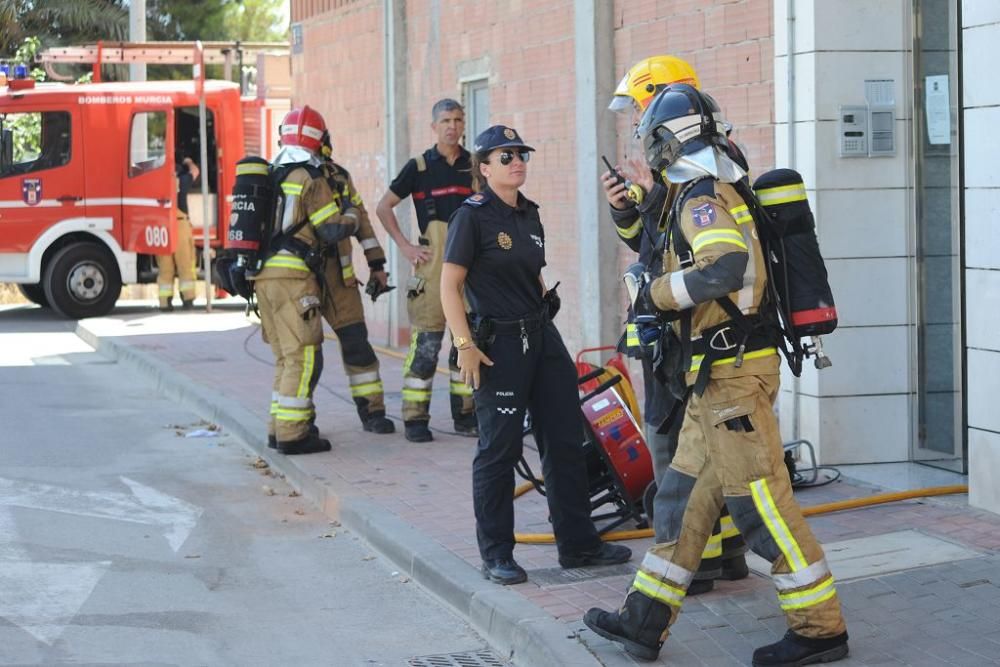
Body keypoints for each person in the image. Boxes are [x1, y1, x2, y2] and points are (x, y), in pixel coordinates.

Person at [584, 86, 848, 666]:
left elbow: (724, 266)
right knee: (679, 498)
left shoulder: (702, 199)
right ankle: (643, 621)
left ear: (664, 143)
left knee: (760, 505)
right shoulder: (712, 189)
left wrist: (653, 295)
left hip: (733, 381)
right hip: (715, 380)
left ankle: (819, 628)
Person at [441, 124, 632, 586]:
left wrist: (545, 310)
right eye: (504, 157)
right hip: (498, 347)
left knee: (566, 442)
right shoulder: (471, 216)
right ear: (484, 168)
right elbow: (450, 285)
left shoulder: (530, 214)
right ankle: (497, 555)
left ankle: (579, 545)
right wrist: (465, 346)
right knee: (499, 451)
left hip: (542, 339)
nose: (516, 161)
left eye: (520, 153)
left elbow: (534, 277)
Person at [603, 55, 748, 594]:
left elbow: (686, 256)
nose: (639, 119)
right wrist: (629, 209)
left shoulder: (693, 164)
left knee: (672, 447)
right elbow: (652, 241)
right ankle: (725, 552)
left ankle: (696, 562)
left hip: (687, 332)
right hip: (691, 331)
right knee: (711, 448)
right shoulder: (704, 158)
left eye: (642, 105)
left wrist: (657, 294)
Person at [254, 106, 361, 456]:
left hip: (263, 277)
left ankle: (277, 426)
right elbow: (330, 228)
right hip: (293, 279)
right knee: (304, 356)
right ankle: (293, 433)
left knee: (285, 356)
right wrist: (351, 215)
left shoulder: (270, 174)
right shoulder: (308, 178)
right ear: (319, 140)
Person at [375, 98, 477, 443]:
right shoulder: (418, 167)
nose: (453, 125)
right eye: (446, 120)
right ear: (434, 127)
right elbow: (383, 206)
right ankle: (415, 419)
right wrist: (405, 246)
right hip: (431, 270)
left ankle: (466, 415)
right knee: (425, 348)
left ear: (464, 124)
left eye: (458, 119)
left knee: (468, 343)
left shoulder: (475, 165)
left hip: (469, 270)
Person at [315, 132, 395, 435]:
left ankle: (373, 412)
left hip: (340, 281)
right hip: (300, 282)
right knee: (306, 353)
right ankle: (296, 423)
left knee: (357, 345)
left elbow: (361, 219)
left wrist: (377, 265)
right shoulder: (287, 177)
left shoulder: (339, 177)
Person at [157, 156, 199, 312]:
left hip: (162, 225)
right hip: (180, 224)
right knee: (185, 264)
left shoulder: (157, 182)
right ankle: (187, 299)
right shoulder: (182, 180)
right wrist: (188, 160)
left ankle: (164, 302)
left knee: (165, 266)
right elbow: (195, 171)